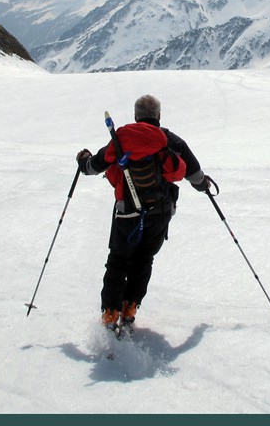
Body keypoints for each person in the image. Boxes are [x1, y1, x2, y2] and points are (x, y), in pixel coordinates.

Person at [76, 95, 213, 330]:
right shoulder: (171, 142)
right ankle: (130, 307)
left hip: (127, 214)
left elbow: (93, 166)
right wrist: (204, 185)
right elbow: (194, 173)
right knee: (143, 259)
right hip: (160, 213)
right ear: (159, 116)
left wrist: (84, 160)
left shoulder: (120, 141)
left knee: (118, 261)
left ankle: (110, 312)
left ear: (136, 116)